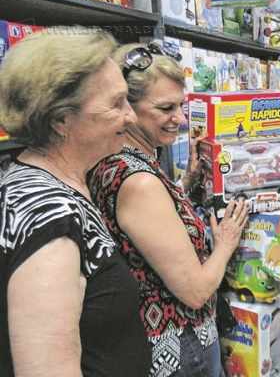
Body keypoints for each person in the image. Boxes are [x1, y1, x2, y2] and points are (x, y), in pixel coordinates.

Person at [88, 42, 248, 377]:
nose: (180, 118)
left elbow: (147, 232)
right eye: (165, 108)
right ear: (126, 107)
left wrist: (184, 184)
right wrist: (226, 243)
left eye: (181, 106)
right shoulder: (140, 183)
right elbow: (196, 291)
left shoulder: (116, 159)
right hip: (180, 349)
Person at [0, 28, 150, 376]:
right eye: (116, 103)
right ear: (61, 120)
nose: (131, 116)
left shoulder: (64, 178)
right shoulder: (48, 217)